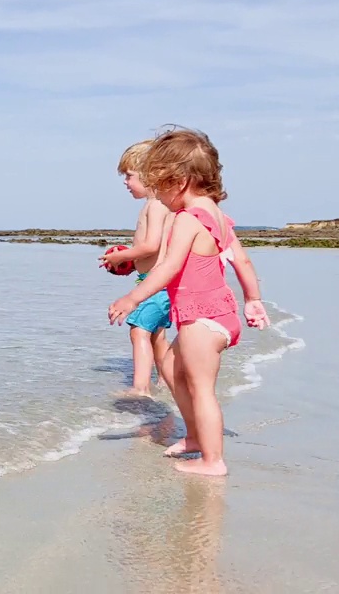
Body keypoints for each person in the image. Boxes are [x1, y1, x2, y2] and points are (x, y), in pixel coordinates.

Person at [109, 127, 270, 476]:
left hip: (201, 319)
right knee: (175, 371)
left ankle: (213, 460)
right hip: (218, 315)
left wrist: (131, 296)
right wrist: (253, 300)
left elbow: (168, 267)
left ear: (178, 181)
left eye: (159, 185)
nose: (159, 197)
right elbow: (241, 261)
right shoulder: (220, 219)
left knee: (200, 389)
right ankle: (196, 438)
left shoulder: (187, 219)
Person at [101, 140, 172, 398]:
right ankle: (167, 381)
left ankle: (140, 387)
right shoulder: (162, 205)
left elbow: (151, 245)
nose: (126, 182)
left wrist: (121, 256)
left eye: (129, 176)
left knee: (138, 331)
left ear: (151, 174)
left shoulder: (154, 206)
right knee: (157, 336)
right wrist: (131, 265)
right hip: (158, 282)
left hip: (154, 284)